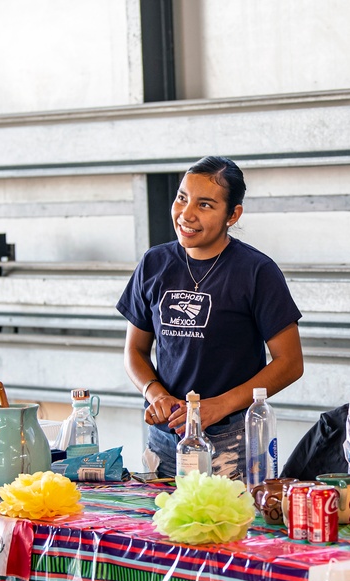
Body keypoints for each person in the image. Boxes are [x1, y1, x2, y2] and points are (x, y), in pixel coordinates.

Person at [116, 156, 304, 478]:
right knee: (166, 524)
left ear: (233, 215)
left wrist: (219, 406)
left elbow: (290, 363)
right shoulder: (154, 263)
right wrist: (156, 394)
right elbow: (134, 352)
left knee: (230, 525)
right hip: (167, 437)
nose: (186, 214)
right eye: (182, 198)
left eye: (205, 205)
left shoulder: (257, 271)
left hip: (232, 441)